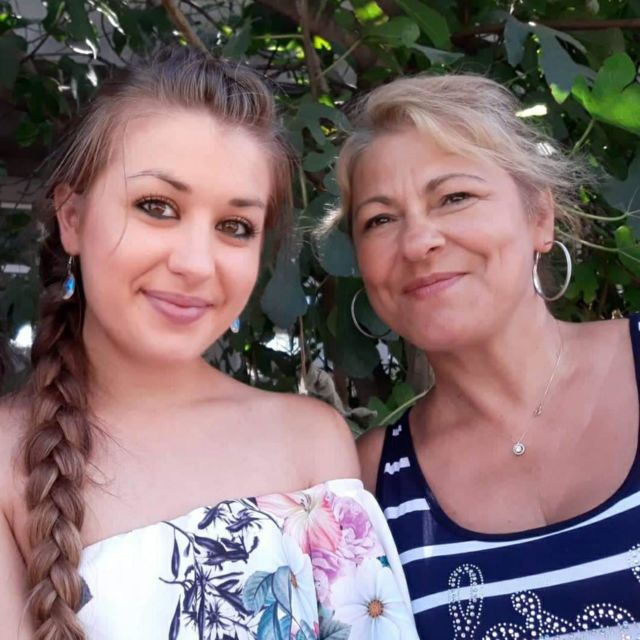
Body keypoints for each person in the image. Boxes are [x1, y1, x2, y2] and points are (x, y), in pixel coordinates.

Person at [0, 47, 419, 640]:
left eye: (234, 226)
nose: (197, 264)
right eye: (156, 207)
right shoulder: (8, 460)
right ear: (72, 218)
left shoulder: (308, 442)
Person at [330, 74, 640, 638]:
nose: (418, 241)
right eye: (380, 220)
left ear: (539, 217)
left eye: (455, 197)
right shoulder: (370, 486)